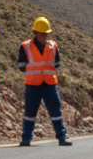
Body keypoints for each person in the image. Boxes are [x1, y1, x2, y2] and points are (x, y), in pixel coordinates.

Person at [17, 17, 72, 147]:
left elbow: (57, 63)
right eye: (42, 33)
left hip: (49, 84)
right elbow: (21, 65)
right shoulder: (25, 46)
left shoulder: (53, 45)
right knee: (30, 112)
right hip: (33, 85)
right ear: (35, 32)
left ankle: (62, 138)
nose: (44, 36)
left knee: (56, 111)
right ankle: (26, 139)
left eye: (46, 33)